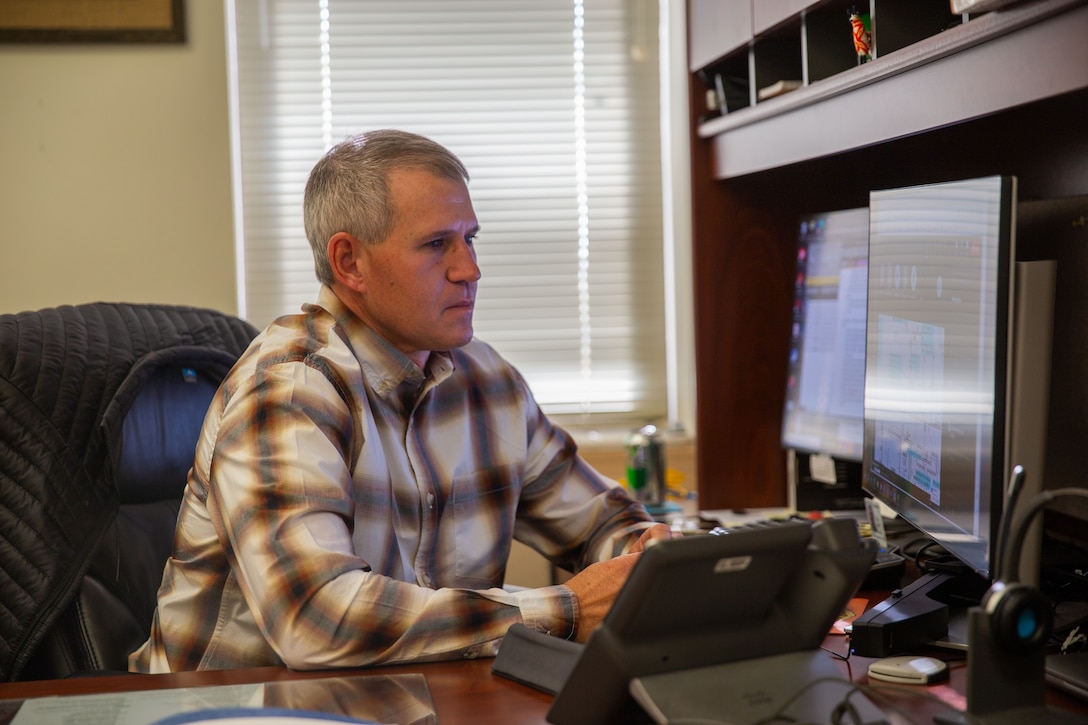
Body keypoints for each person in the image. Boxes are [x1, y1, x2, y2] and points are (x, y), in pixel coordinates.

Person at [129, 129, 670, 673]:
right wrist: (565, 610)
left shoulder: (487, 381)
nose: (469, 269)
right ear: (350, 263)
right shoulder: (289, 389)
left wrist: (646, 559)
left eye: (470, 239)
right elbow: (317, 620)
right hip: (236, 708)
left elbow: (598, 521)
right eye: (437, 245)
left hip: (413, 698)